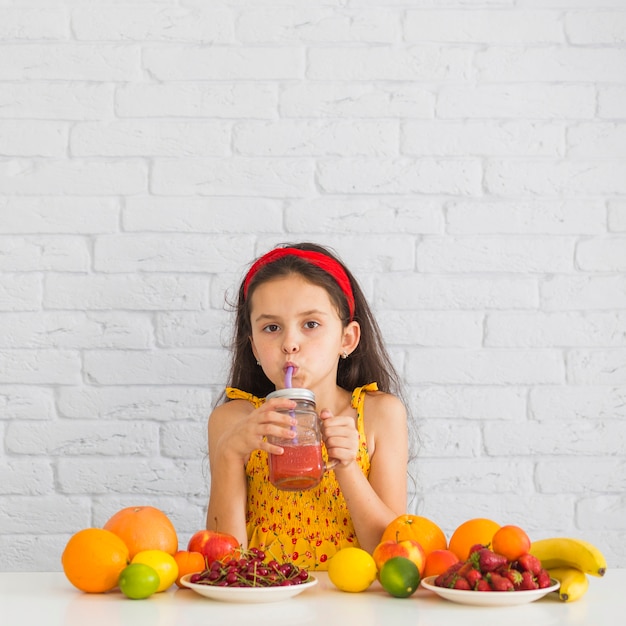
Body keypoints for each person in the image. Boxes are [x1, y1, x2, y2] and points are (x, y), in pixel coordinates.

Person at [206, 242, 408, 570]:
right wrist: (229, 454)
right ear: (254, 346)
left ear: (347, 339)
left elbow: (394, 554)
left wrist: (347, 465)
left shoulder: (378, 415)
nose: (289, 344)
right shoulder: (233, 420)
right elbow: (223, 567)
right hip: (264, 597)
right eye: (271, 328)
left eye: (310, 324)